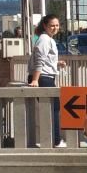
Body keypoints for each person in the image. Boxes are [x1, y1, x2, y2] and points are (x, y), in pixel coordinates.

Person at [28, 14, 67, 147]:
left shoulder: (46, 38)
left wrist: (57, 63)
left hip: (45, 77)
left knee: (52, 109)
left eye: (57, 25)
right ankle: (55, 140)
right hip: (43, 78)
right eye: (52, 25)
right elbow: (40, 60)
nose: (55, 28)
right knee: (53, 109)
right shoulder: (45, 39)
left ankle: (52, 140)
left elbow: (45, 60)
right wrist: (35, 80)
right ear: (45, 26)